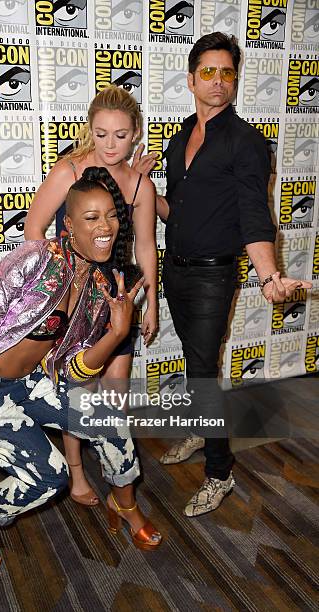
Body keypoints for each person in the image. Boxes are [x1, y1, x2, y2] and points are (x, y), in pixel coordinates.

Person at [0, 167, 162, 577]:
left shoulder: (99, 285)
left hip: (30, 385)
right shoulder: (36, 258)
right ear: (68, 225)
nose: (105, 226)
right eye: (91, 217)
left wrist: (118, 331)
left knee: (110, 422)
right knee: (49, 478)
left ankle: (123, 504)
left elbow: (74, 366)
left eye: (110, 215)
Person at [153, 32, 312, 516]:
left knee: (202, 374)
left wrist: (269, 276)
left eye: (227, 73)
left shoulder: (246, 142)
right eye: (209, 72)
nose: (219, 81)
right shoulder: (180, 137)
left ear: (235, 80)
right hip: (174, 269)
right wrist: (139, 185)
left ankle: (219, 473)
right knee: (193, 360)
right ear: (191, 79)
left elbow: (253, 214)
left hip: (211, 276)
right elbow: (174, 212)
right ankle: (201, 430)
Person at [25, 85, 158, 506]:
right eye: (101, 134)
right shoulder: (69, 170)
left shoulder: (139, 185)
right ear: (89, 130)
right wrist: (58, 284)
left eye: (120, 135)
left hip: (118, 298)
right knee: (75, 390)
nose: (111, 145)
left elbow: (145, 246)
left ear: (135, 132)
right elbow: (34, 229)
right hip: (76, 299)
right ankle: (76, 473)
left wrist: (150, 302)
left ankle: (117, 472)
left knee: (115, 388)